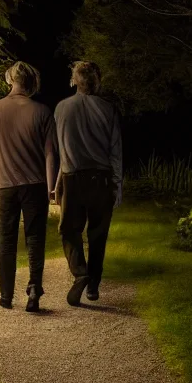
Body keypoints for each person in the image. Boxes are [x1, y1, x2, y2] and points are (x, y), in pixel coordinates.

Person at [0, 61, 58, 312]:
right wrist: (51, 186)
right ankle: (34, 289)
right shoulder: (42, 111)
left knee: (7, 241)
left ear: (10, 80)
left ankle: (6, 295)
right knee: (35, 239)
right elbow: (50, 154)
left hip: (5, 186)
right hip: (36, 185)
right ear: (31, 82)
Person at [54, 61, 122, 306]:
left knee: (69, 231)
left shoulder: (61, 108)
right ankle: (93, 286)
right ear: (97, 81)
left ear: (74, 80)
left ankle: (80, 272)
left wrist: (58, 183)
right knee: (98, 234)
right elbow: (115, 151)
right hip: (101, 180)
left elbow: (62, 149)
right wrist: (117, 184)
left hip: (73, 179)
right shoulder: (108, 109)